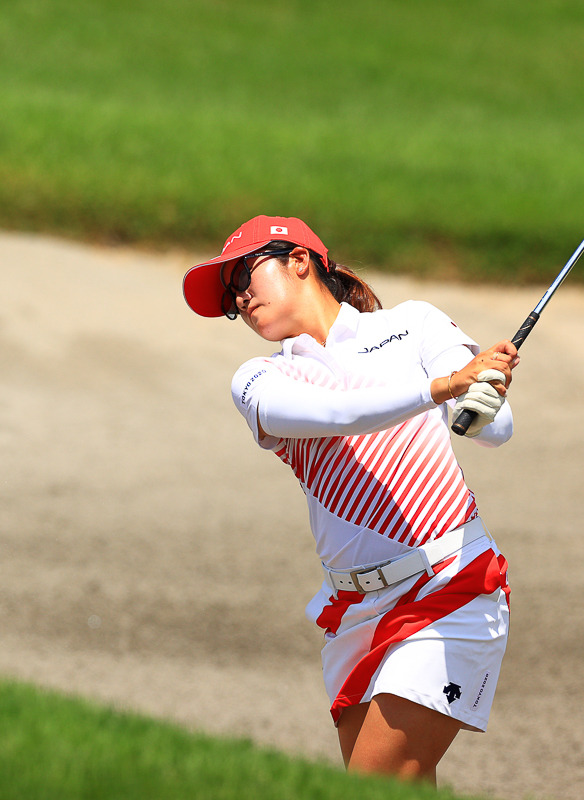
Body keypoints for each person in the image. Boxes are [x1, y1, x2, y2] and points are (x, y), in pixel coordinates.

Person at [181, 215, 519, 786]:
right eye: (230, 295)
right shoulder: (258, 380)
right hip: (355, 615)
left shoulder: (412, 325)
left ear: (299, 260)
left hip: (449, 590)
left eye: (244, 273)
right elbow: (334, 415)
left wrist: (481, 398)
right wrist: (441, 388)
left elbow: (494, 428)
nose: (238, 297)